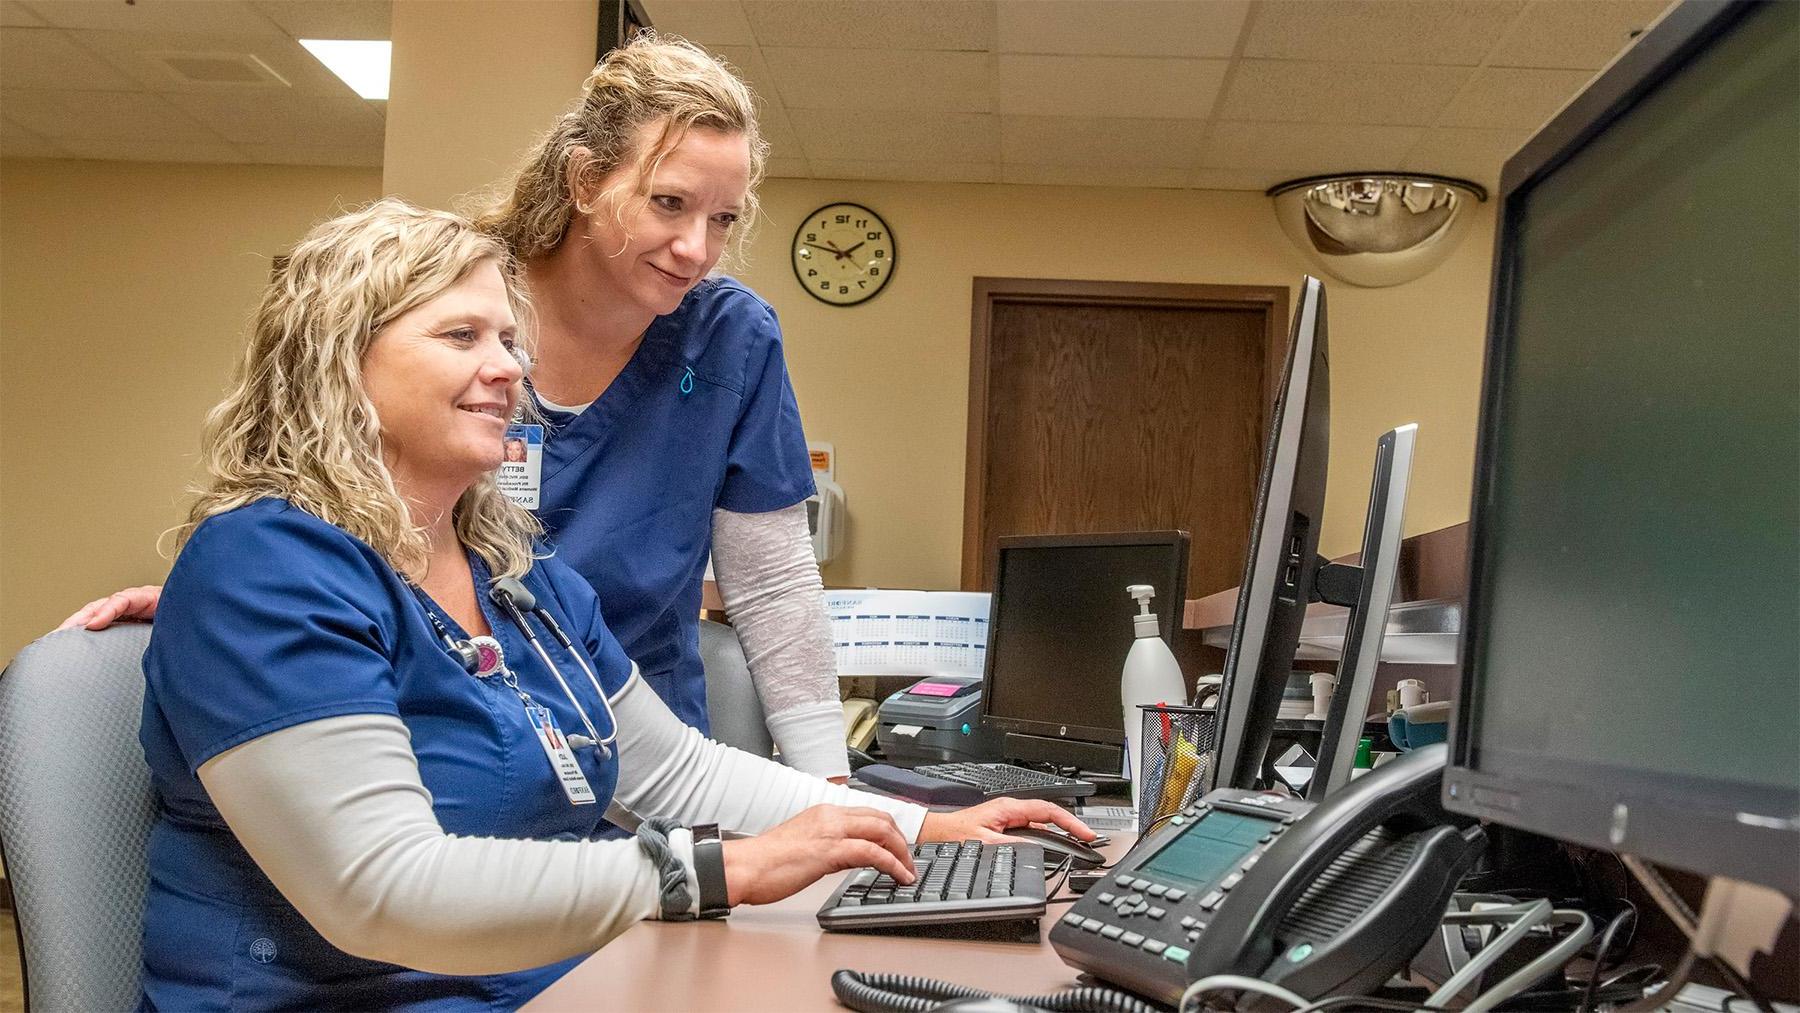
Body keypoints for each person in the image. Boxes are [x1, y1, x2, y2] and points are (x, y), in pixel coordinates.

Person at [140, 199, 1091, 1010]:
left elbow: (674, 773)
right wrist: (715, 873)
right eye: (461, 336)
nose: (511, 368)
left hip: (545, 981)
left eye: (509, 339)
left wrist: (917, 828)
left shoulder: (518, 575)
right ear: (338, 361)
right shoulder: (267, 566)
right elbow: (380, 888)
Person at [63, 36, 849, 779]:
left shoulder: (728, 338)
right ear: (583, 181)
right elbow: (321, 469)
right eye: (669, 203)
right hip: (452, 734)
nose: (697, 249)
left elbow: (773, 582)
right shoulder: (450, 293)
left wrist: (833, 790)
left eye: (723, 219)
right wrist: (243, 596)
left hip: (636, 738)